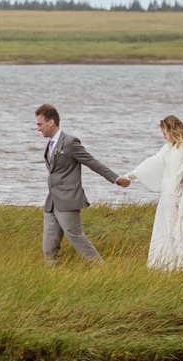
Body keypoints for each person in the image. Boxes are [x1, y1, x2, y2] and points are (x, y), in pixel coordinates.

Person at [36, 103, 126, 265]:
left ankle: (102, 268)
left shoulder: (70, 142)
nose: (38, 129)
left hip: (68, 200)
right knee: (49, 245)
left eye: (40, 124)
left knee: (76, 237)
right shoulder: (50, 144)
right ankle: (50, 275)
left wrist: (116, 178)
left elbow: (92, 162)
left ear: (51, 122)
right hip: (52, 202)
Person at [117, 116, 183, 270]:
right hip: (166, 193)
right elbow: (153, 162)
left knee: (176, 228)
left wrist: (177, 199)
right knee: (163, 228)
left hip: (175, 192)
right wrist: (129, 175)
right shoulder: (170, 147)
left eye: (165, 133)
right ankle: (162, 265)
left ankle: (182, 265)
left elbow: (181, 175)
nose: (163, 136)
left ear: (172, 130)